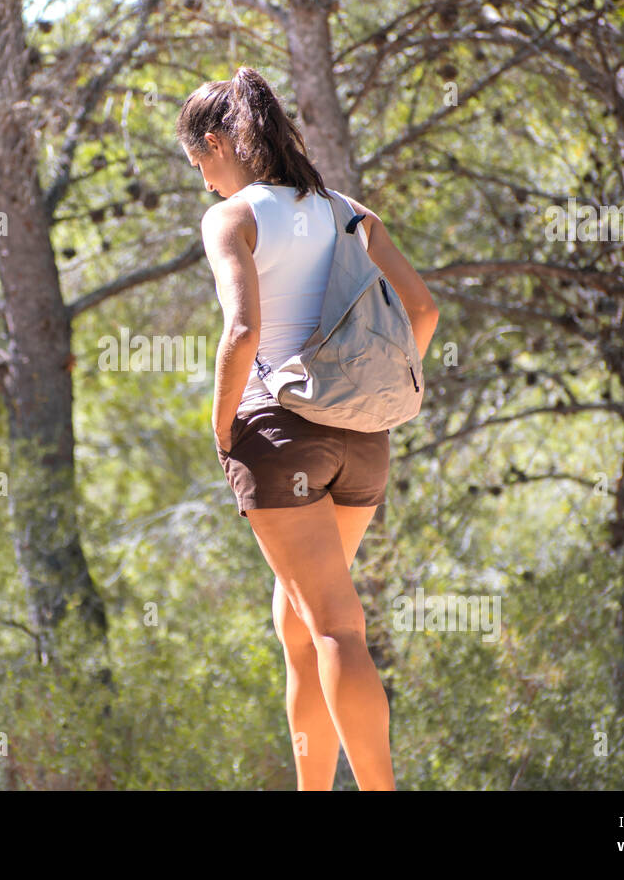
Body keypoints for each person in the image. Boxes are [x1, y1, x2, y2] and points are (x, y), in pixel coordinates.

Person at [176, 66, 440, 791]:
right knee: (300, 624)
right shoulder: (347, 210)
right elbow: (423, 310)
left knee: (333, 624)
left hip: (280, 430)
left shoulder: (233, 218)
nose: (204, 183)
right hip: (363, 437)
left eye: (201, 165)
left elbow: (243, 330)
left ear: (216, 141)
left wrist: (222, 425)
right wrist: (374, 386)